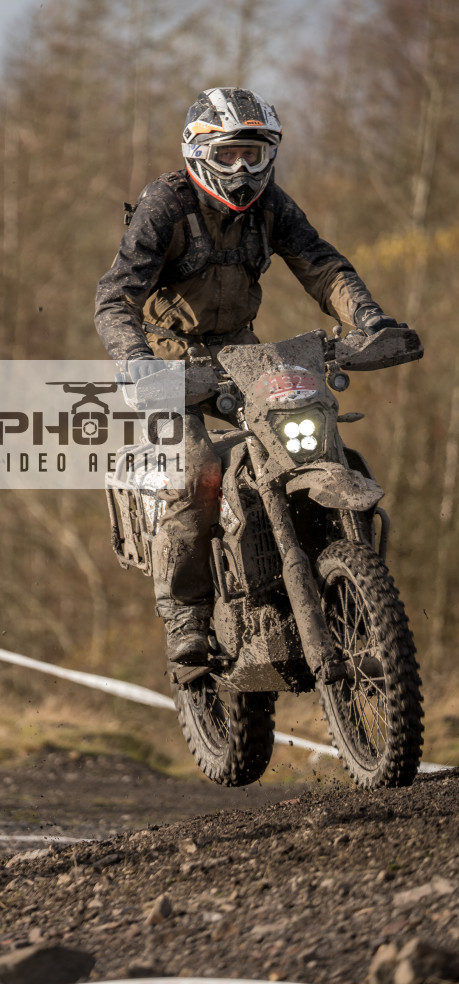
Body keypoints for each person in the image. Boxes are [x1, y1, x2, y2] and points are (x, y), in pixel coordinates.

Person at [94, 86, 398, 665]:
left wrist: (367, 318)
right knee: (197, 471)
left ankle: (327, 574)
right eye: (231, 154)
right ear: (200, 151)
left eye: (254, 155)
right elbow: (113, 300)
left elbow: (322, 263)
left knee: (308, 440)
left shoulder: (271, 206)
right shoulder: (167, 205)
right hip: (168, 360)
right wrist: (136, 364)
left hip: (241, 354)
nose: (242, 168)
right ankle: (187, 613)